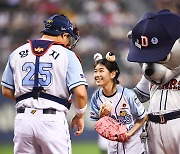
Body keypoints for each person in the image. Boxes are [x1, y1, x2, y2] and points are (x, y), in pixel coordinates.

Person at [1, 14, 88, 154]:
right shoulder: (67, 55)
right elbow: (81, 94)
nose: (69, 41)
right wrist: (79, 115)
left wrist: (30, 101)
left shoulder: (16, 53)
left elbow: (6, 90)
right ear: (64, 34)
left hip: (23, 121)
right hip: (52, 120)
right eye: (68, 37)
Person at [90, 52, 148, 154]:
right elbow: (100, 123)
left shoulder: (128, 95)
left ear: (113, 74)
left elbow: (143, 117)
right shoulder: (96, 98)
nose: (97, 75)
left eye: (101, 71)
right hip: (113, 147)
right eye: (95, 71)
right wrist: (102, 115)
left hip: (134, 147)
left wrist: (129, 133)